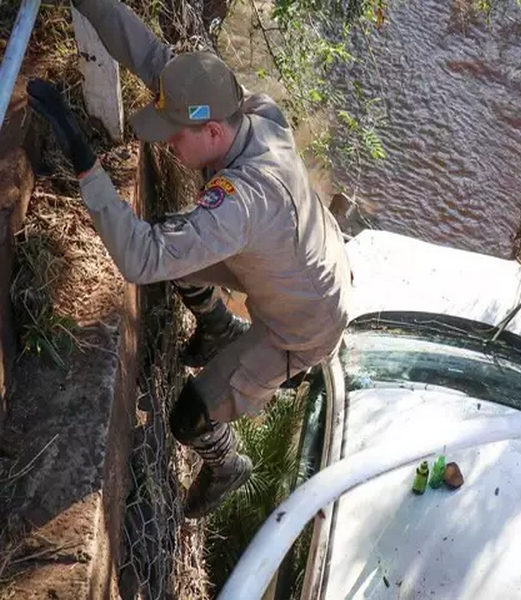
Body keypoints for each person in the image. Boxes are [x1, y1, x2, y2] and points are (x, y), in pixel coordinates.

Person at [26, 0, 351, 519]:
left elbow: (137, 259)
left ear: (213, 135)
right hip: (291, 255)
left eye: (174, 136)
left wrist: (86, 164)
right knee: (176, 244)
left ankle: (228, 466)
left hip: (305, 322)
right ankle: (219, 325)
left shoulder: (240, 204)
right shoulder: (246, 109)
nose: (168, 144)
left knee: (188, 416)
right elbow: (154, 57)